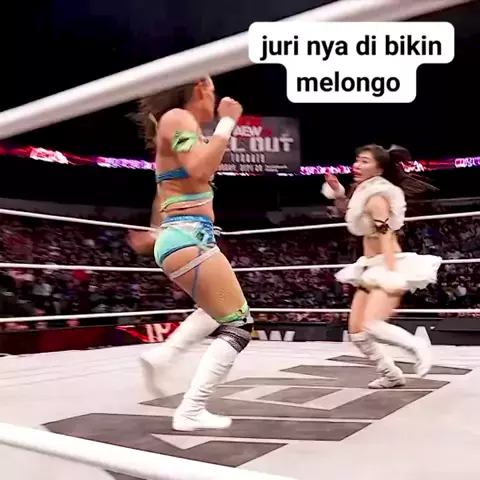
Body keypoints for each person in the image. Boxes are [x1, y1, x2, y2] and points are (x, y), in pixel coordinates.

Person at [128, 77, 253, 431]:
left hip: (183, 235)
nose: (215, 95)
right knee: (240, 325)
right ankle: (191, 410)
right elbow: (201, 169)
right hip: (188, 237)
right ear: (200, 87)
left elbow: (165, 187)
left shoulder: (179, 124)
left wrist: (156, 231)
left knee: (215, 309)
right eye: (212, 88)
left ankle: (164, 355)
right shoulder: (177, 117)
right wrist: (227, 122)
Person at [322, 145, 441, 388]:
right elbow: (352, 215)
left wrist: (390, 272)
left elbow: (386, 235)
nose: (357, 165)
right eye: (357, 160)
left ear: (378, 169)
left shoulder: (377, 197)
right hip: (370, 265)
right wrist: (338, 194)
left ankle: (417, 346)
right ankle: (391, 374)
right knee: (357, 332)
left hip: (387, 263)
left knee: (372, 325)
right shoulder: (363, 193)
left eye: (364, 161)